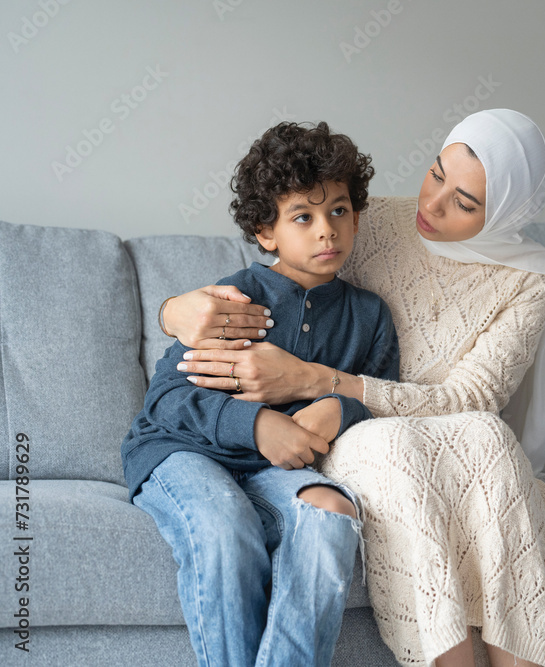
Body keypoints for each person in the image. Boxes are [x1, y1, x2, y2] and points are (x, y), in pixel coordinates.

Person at [163, 109, 545, 667]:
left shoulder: (529, 280)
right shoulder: (360, 223)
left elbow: (468, 398)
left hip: (432, 423)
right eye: (436, 174)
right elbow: (187, 374)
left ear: (507, 211)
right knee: (381, 453)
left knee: (488, 434)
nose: (432, 206)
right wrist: (174, 309)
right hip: (353, 438)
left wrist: (327, 392)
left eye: (464, 203)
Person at [121, 121, 399, 667]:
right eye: (304, 217)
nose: (327, 231)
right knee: (226, 524)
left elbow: (388, 401)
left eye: (339, 211)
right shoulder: (237, 299)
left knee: (331, 512)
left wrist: (341, 409)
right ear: (266, 232)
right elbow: (167, 402)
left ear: (357, 215)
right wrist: (256, 425)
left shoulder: (370, 316)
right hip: (182, 453)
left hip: (276, 471)